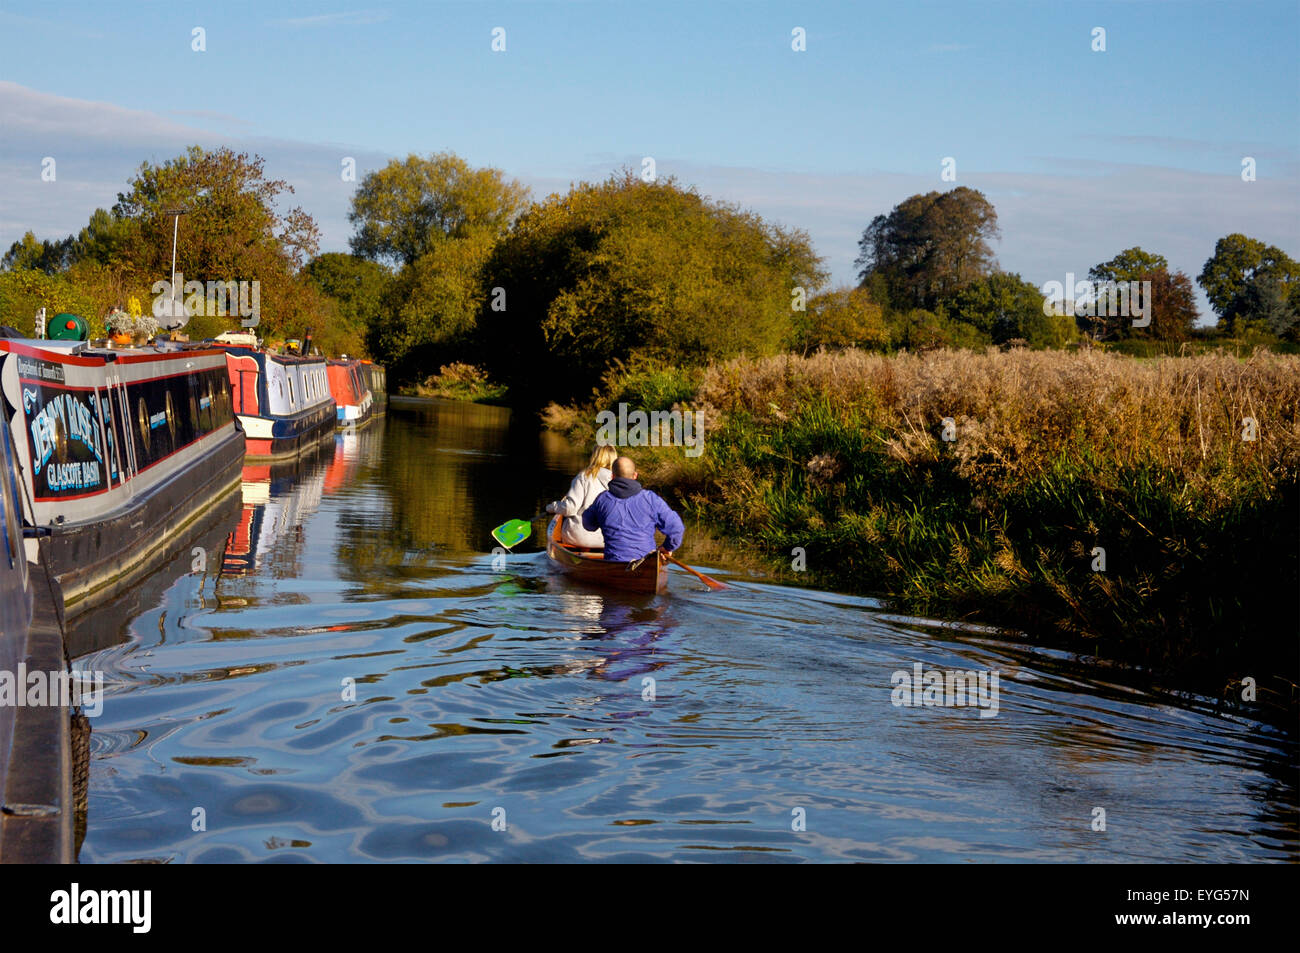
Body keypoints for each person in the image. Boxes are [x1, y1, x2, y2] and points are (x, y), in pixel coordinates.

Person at [582, 455, 684, 562]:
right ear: (635, 475)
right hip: (646, 563)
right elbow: (677, 528)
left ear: (612, 476)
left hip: (613, 563)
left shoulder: (602, 499)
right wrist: (667, 547)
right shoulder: (651, 499)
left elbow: (588, 525)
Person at [546, 444, 617, 547]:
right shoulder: (620, 482)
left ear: (594, 456)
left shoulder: (584, 477)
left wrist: (552, 507)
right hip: (606, 540)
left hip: (577, 538)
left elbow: (570, 508)